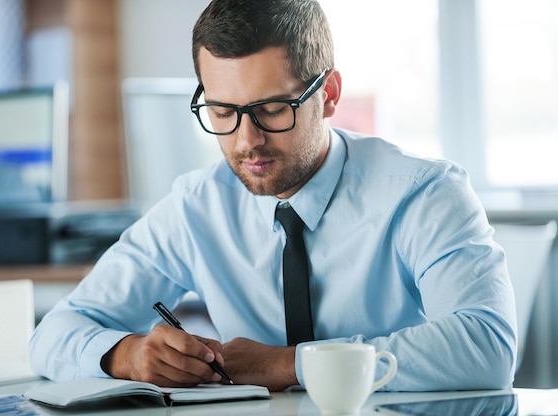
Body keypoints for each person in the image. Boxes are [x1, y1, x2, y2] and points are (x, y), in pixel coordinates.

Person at [29, 0, 517, 392]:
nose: (246, 141)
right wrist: (128, 355)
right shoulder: (198, 205)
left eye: (271, 109)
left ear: (329, 94)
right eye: (223, 111)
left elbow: (487, 346)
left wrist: (286, 364)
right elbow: (53, 333)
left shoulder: (423, 193)